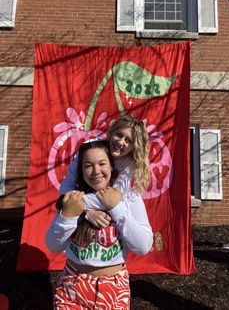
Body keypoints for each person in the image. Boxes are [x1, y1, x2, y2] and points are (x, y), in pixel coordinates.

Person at [46, 140, 153, 309]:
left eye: (102, 164)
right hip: (72, 287)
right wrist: (72, 215)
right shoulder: (73, 199)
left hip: (114, 289)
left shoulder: (129, 197)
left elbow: (143, 247)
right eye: (88, 165)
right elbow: (53, 245)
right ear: (80, 170)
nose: (96, 171)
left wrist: (117, 208)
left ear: (112, 166)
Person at [59, 115, 150, 229]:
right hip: (81, 204)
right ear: (111, 133)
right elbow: (66, 188)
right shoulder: (90, 148)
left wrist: (74, 204)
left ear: (133, 147)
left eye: (128, 140)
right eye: (119, 135)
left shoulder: (129, 164)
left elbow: (112, 198)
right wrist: (85, 213)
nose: (121, 142)